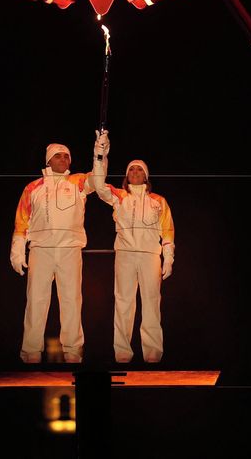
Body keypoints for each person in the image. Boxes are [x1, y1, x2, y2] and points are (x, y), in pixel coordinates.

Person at [10, 132, 109, 363]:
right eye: (58, 156)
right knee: (36, 301)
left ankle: (73, 351)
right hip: (41, 250)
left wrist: (100, 153)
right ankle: (31, 352)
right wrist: (17, 249)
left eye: (66, 156)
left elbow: (98, 179)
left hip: (69, 250)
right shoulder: (33, 187)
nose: (63, 159)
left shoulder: (78, 182)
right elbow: (21, 220)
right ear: (48, 160)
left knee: (71, 300)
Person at [91, 154, 175, 363]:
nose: (135, 172)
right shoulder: (119, 197)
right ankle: (122, 355)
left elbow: (167, 231)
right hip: (126, 255)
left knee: (151, 304)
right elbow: (99, 187)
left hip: (150, 256)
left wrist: (168, 258)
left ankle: (153, 356)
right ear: (126, 176)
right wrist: (100, 154)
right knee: (123, 303)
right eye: (131, 169)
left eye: (139, 169)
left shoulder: (158, 201)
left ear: (146, 176)